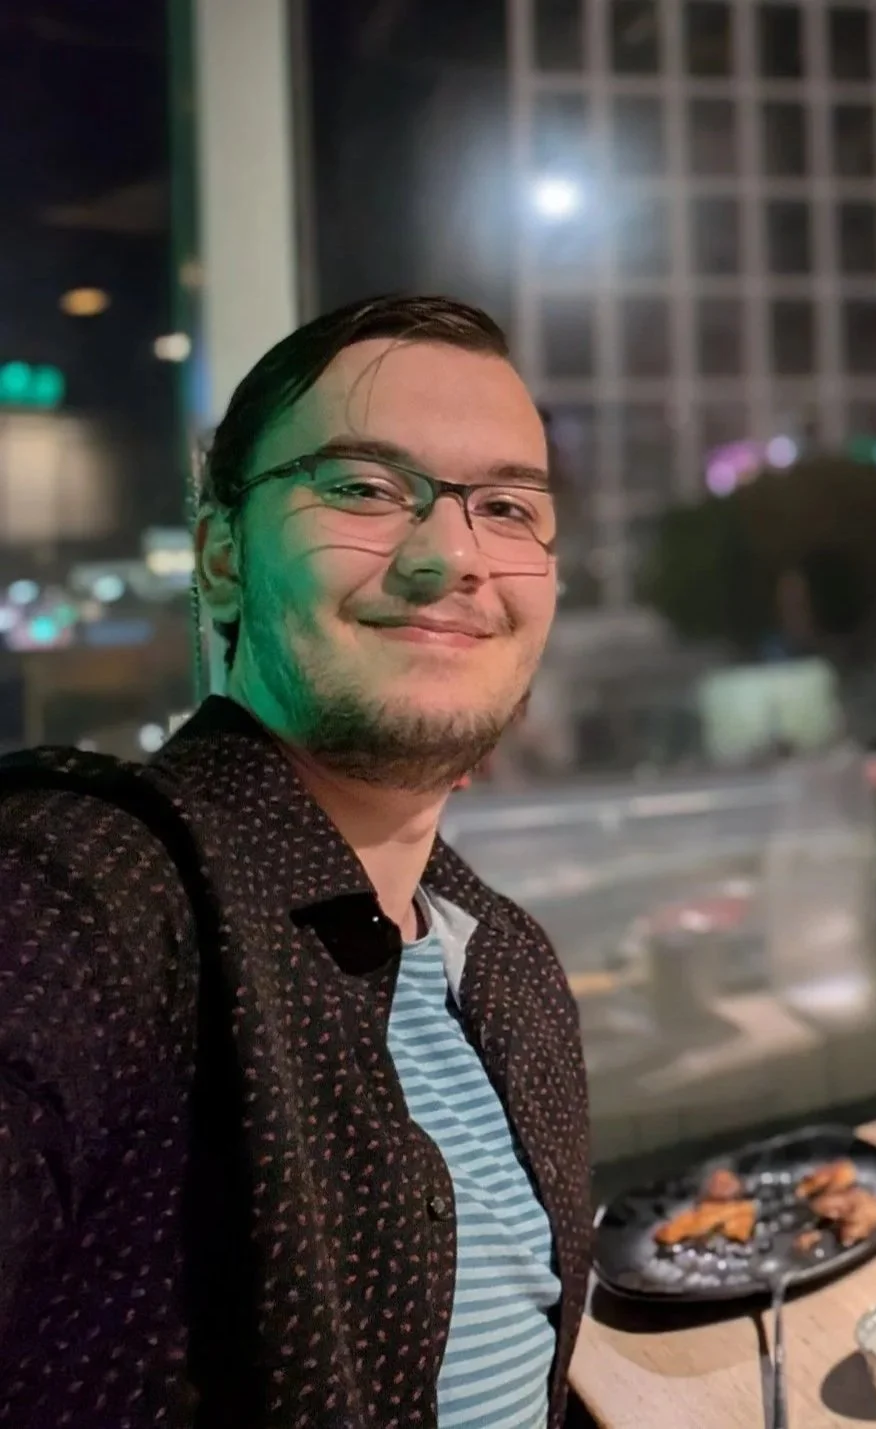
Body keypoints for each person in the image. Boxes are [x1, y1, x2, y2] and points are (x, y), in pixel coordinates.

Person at [0, 295, 593, 1428]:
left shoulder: (504, 964)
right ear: (221, 558)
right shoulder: (90, 891)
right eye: (364, 488)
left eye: (507, 506)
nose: (452, 556)